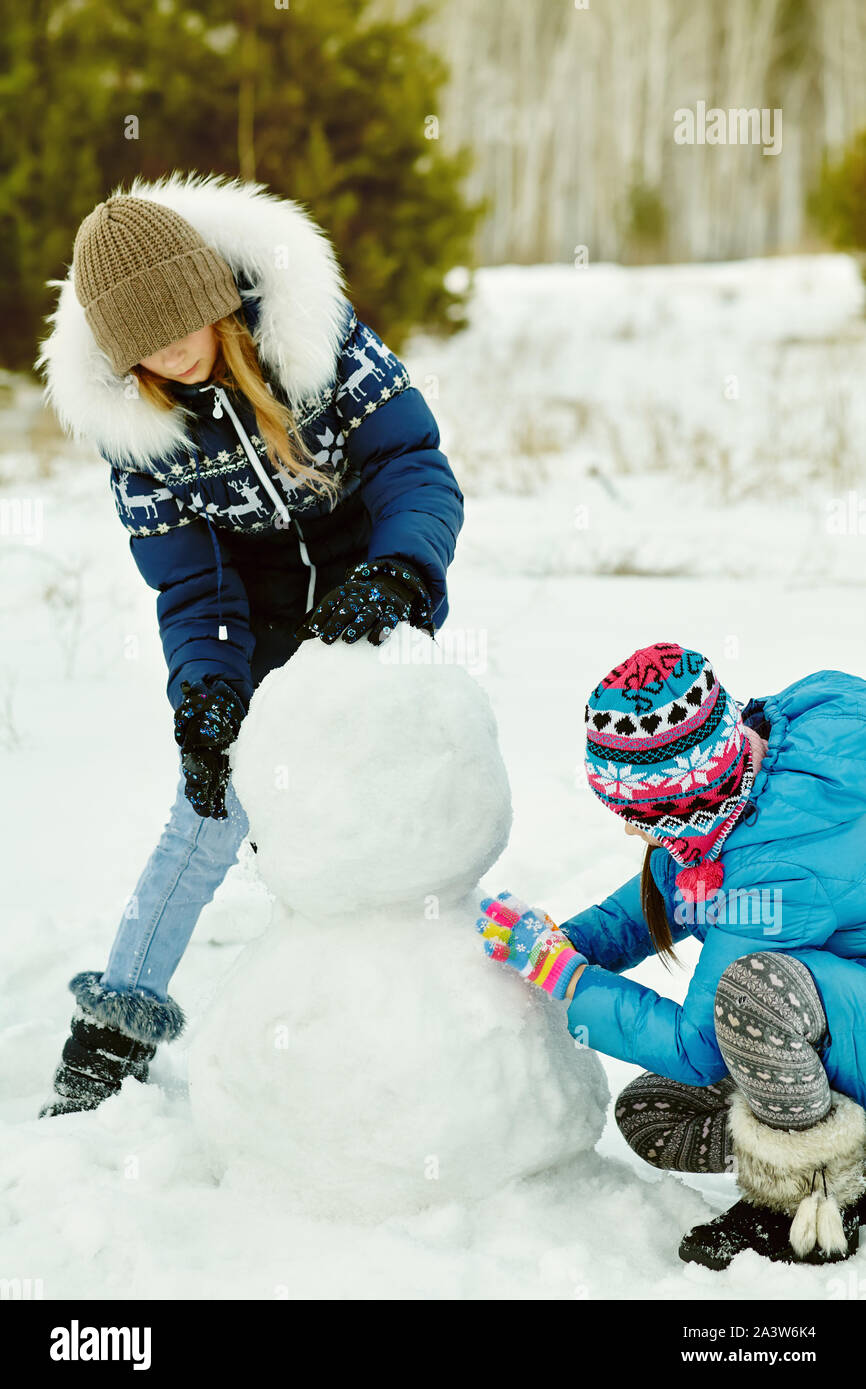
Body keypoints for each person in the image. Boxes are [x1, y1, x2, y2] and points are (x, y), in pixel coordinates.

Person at [35, 171, 463, 1117]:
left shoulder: (317, 346)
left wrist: (398, 575)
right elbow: (193, 585)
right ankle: (115, 1026)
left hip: (371, 587)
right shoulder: (136, 430)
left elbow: (412, 466)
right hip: (253, 613)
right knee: (209, 810)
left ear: (213, 298)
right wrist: (208, 696)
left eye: (175, 323)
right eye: (137, 341)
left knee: (402, 800)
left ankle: (445, 1010)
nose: (165, 352)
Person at [478, 641, 866, 1270]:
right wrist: (558, 945)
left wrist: (563, 978)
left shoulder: (779, 867)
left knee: (754, 992)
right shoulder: (737, 796)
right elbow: (651, 902)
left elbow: (698, 1047)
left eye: (640, 815)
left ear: (690, 791)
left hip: (842, 1018)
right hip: (841, 1031)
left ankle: (815, 1193)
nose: (632, 831)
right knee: (652, 1114)